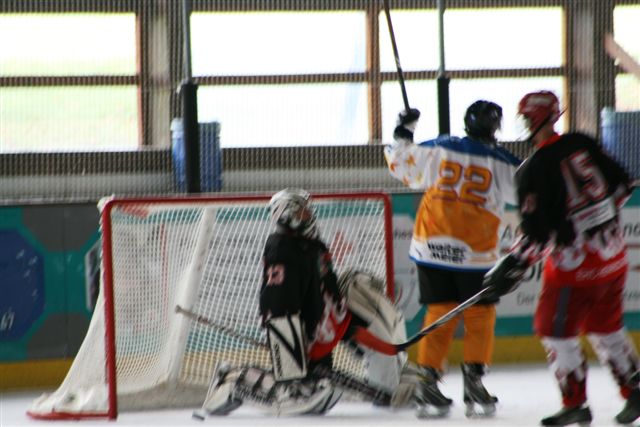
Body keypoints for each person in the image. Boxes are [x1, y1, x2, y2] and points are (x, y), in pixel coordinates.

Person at [483, 90, 640, 426]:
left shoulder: (534, 169)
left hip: (573, 271)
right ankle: (636, 391)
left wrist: (514, 262)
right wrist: (592, 222)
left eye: (527, 117)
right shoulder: (582, 142)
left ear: (541, 118)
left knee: (554, 331)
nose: (524, 123)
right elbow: (624, 186)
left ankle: (575, 403)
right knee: (606, 327)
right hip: (613, 258)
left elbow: (538, 235)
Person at [198, 188, 422, 417]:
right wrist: (291, 344)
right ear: (286, 216)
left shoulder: (315, 247)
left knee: (315, 391)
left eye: (307, 211)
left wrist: (369, 339)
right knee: (296, 392)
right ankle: (232, 380)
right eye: (301, 212)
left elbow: (330, 294)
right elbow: (277, 302)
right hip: (296, 329)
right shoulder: (282, 247)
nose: (308, 215)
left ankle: (383, 379)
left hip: (317, 329)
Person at [384, 101, 521, 417]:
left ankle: (427, 383)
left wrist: (404, 129)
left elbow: (401, 163)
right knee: (480, 316)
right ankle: (474, 382)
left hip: (430, 248)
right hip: (474, 255)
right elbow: (529, 192)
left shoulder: (442, 147)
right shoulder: (502, 162)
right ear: (496, 127)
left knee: (439, 312)